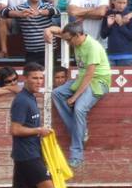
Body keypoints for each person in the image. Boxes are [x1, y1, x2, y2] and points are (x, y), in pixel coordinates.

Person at [0, 62, 72, 188]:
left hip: (27, 153)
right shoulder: (23, 100)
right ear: (25, 79)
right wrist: (39, 130)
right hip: (27, 155)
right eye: (35, 78)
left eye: (41, 78)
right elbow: (14, 129)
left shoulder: (29, 98)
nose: (39, 81)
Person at [46, 21, 110, 168]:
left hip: (98, 81)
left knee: (79, 108)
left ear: (78, 35)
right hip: (81, 79)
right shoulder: (73, 37)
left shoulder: (92, 46)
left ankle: (77, 155)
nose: (67, 42)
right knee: (56, 93)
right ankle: (79, 130)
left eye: (69, 40)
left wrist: (74, 98)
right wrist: (48, 29)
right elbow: (59, 31)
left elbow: (90, 75)